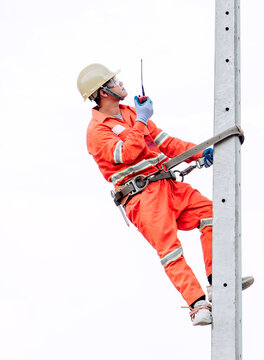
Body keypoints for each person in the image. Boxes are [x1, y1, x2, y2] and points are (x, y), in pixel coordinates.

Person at [77, 63, 253, 326]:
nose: (121, 84)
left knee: (212, 214)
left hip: (168, 187)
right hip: (142, 199)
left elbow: (165, 143)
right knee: (170, 251)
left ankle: (219, 280)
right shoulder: (97, 131)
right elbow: (128, 153)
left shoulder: (130, 114)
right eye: (114, 81)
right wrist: (141, 120)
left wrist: (201, 151)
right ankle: (197, 304)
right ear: (103, 92)